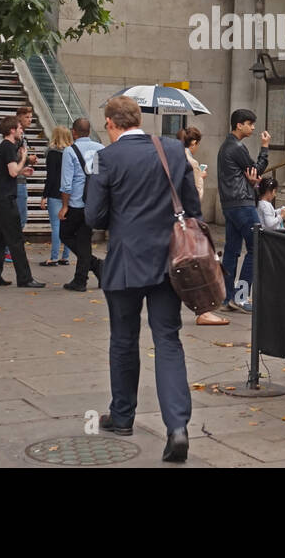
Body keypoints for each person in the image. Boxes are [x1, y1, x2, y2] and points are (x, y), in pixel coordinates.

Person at [84, 95, 197, 463]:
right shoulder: (173, 150)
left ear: (111, 123)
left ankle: (122, 417)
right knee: (168, 339)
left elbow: (94, 216)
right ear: (138, 119)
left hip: (126, 261)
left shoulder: (107, 157)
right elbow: (192, 207)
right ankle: (177, 427)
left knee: (123, 338)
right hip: (170, 260)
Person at [216, 108, 270, 311]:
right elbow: (257, 169)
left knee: (231, 250)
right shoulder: (236, 147)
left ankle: (226, 298)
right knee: (257, 246)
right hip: (242, 204)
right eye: (250, 123)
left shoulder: (226, 146)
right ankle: (240, 297)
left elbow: (249, 173)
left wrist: (252, 178)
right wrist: (265, 148)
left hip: (230, 204)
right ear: (239, 125)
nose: (253, 127)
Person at [0, 115, 44, 288]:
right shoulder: (9, 146)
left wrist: (22, 170)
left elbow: (8, 172)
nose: (21, 130)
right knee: (16, 239)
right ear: (12, 130)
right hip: (5, 200)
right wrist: (23, 158)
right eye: (19, 128)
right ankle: (25, 278)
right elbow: (12, 172)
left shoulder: (2, 146)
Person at [181, 125, 227, 327]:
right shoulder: (191, 162)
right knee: (199, 264)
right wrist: (200, 178)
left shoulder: (173, 159)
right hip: (190, 221)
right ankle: (204, 310)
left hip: (175, 222)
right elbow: (196, 196)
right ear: (193, 143)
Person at [60, 117, 103, 292]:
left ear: (74, 132)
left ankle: (83, 278)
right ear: (89, 131)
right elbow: (99, 175)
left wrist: (64, 206)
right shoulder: (100, 149)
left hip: (76, 204)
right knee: (84, 239)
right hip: (93, 202)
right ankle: (94, 268)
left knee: (66, 234)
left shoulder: (70, 151)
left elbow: (66, 184)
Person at [38, 125, 73, 266]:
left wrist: (44, 196)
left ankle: (53, 257)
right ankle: (65, 256)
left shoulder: (52, 154)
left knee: (56, 226)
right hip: (69, 193)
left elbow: (51, 176)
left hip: (54, 192)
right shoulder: (71, 153)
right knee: (67, 226)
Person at [14, 104, 38, 236]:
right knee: (20, 218)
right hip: (17, 180)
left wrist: (28, 159)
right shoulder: (17, 136)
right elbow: (14, 155)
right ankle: (10, 251)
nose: (30, 120)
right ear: (19, 118)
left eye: (31, 117)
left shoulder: (22, 136)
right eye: (26, 117)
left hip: (19, 178)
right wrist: (28, 159)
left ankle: (8, 251)